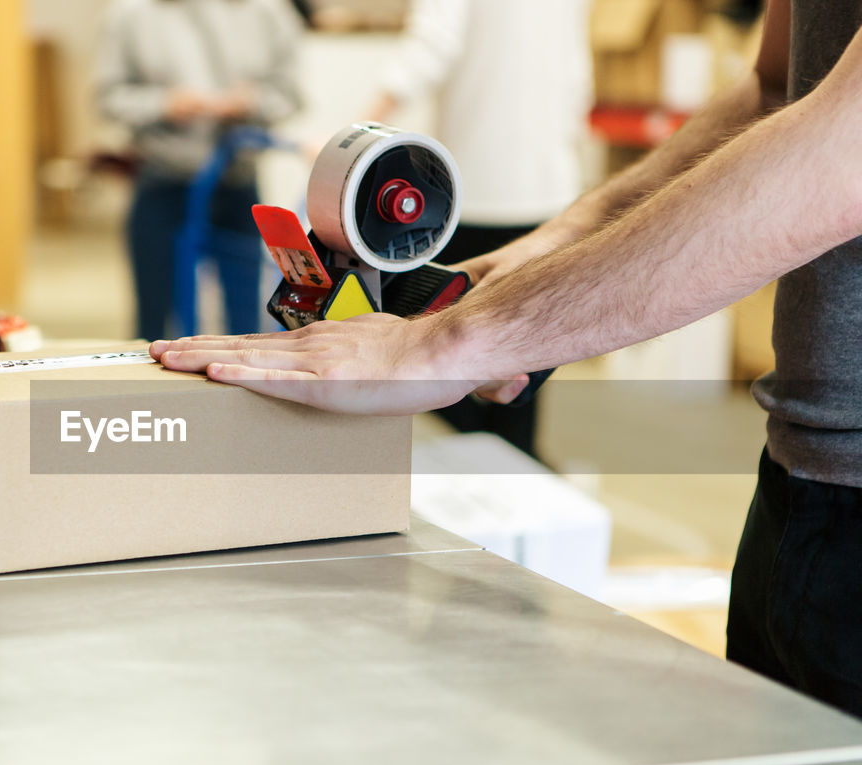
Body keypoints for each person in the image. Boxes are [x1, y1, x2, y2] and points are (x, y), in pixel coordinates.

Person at [151, 0, 862, 717]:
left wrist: (451, 341)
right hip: (798, 481)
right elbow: (777, 86)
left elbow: (845, 147)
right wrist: (543, 253)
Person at [364, 0, 592, 457]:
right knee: (522, 371)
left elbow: (432, 45)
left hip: (473, 191)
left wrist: (364, 124)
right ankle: (512, 490)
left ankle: (467, 500)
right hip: (547, 189)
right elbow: (576, 75)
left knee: (450, 368)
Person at [94, 0, 303, 342]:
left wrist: (250, 101)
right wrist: (163, 104)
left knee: (248, 322)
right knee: (154, 323)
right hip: (162, 180)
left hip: (238, 180)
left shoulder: (269, 11)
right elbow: (107, 97)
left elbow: (290, 93)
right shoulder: (131, 13)